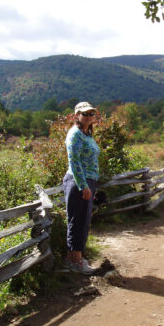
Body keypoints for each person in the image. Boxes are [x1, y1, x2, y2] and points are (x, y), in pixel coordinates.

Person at [62, 101, 100, 274]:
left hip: (87, 181)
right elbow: (74, 162)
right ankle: (76, 261)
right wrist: (83, 186)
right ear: (76, 115)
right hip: (79, 181)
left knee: (83, 220)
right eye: (84, 114)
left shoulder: (86, 133)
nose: (89, 117)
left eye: (91, 114)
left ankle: (72, 259)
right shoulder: (75, 134)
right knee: (77, 221)